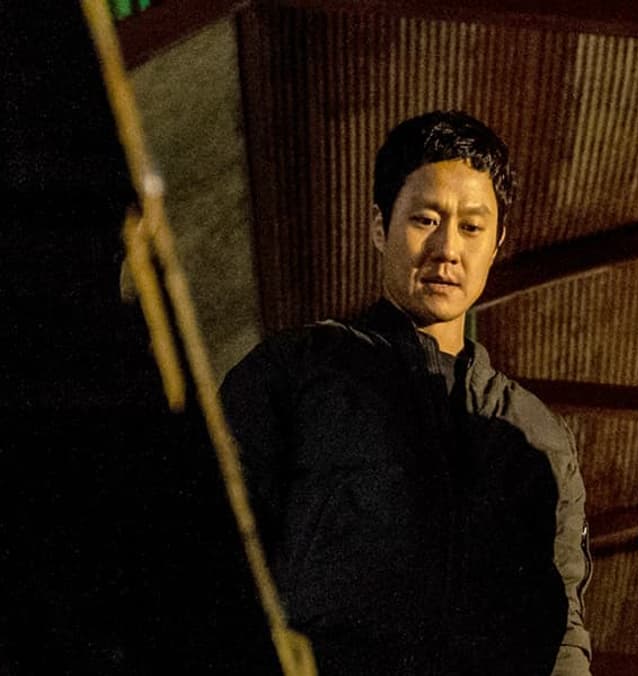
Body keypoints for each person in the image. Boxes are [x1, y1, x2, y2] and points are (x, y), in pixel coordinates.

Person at [220, 111, 591, 676]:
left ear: (497, 244)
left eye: (472, 227)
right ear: (379, 225)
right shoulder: (296, 372)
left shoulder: (537, 434)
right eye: (425, 219)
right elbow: (217, 557)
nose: (447, 248)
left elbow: (565, 627)